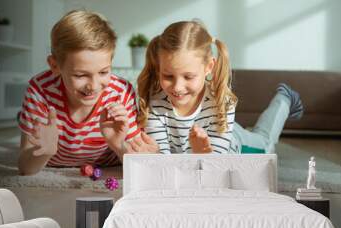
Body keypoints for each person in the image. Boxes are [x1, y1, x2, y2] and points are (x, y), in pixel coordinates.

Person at [18, 10, 157, 175]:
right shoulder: (40, 90)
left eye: (104, 72)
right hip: (53, 163)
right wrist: (45, 151)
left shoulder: (120, 92)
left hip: (109, 164)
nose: (93, 85)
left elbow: (137, 166)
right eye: (80, 75)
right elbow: (25, 168)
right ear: (55, 66)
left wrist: (118, 145)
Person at [135, 21, 303, 154]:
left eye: (189, 76)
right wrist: (156, 154)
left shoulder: (222, 102)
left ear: (208, 67)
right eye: (168, 76)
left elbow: (216, 165)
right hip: (219, 127)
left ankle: (285, 98)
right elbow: (163, 161)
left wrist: (204, 153)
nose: (177, 87)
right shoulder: (155, 104)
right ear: (159, 68)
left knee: (265, 144)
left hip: (235, 143)